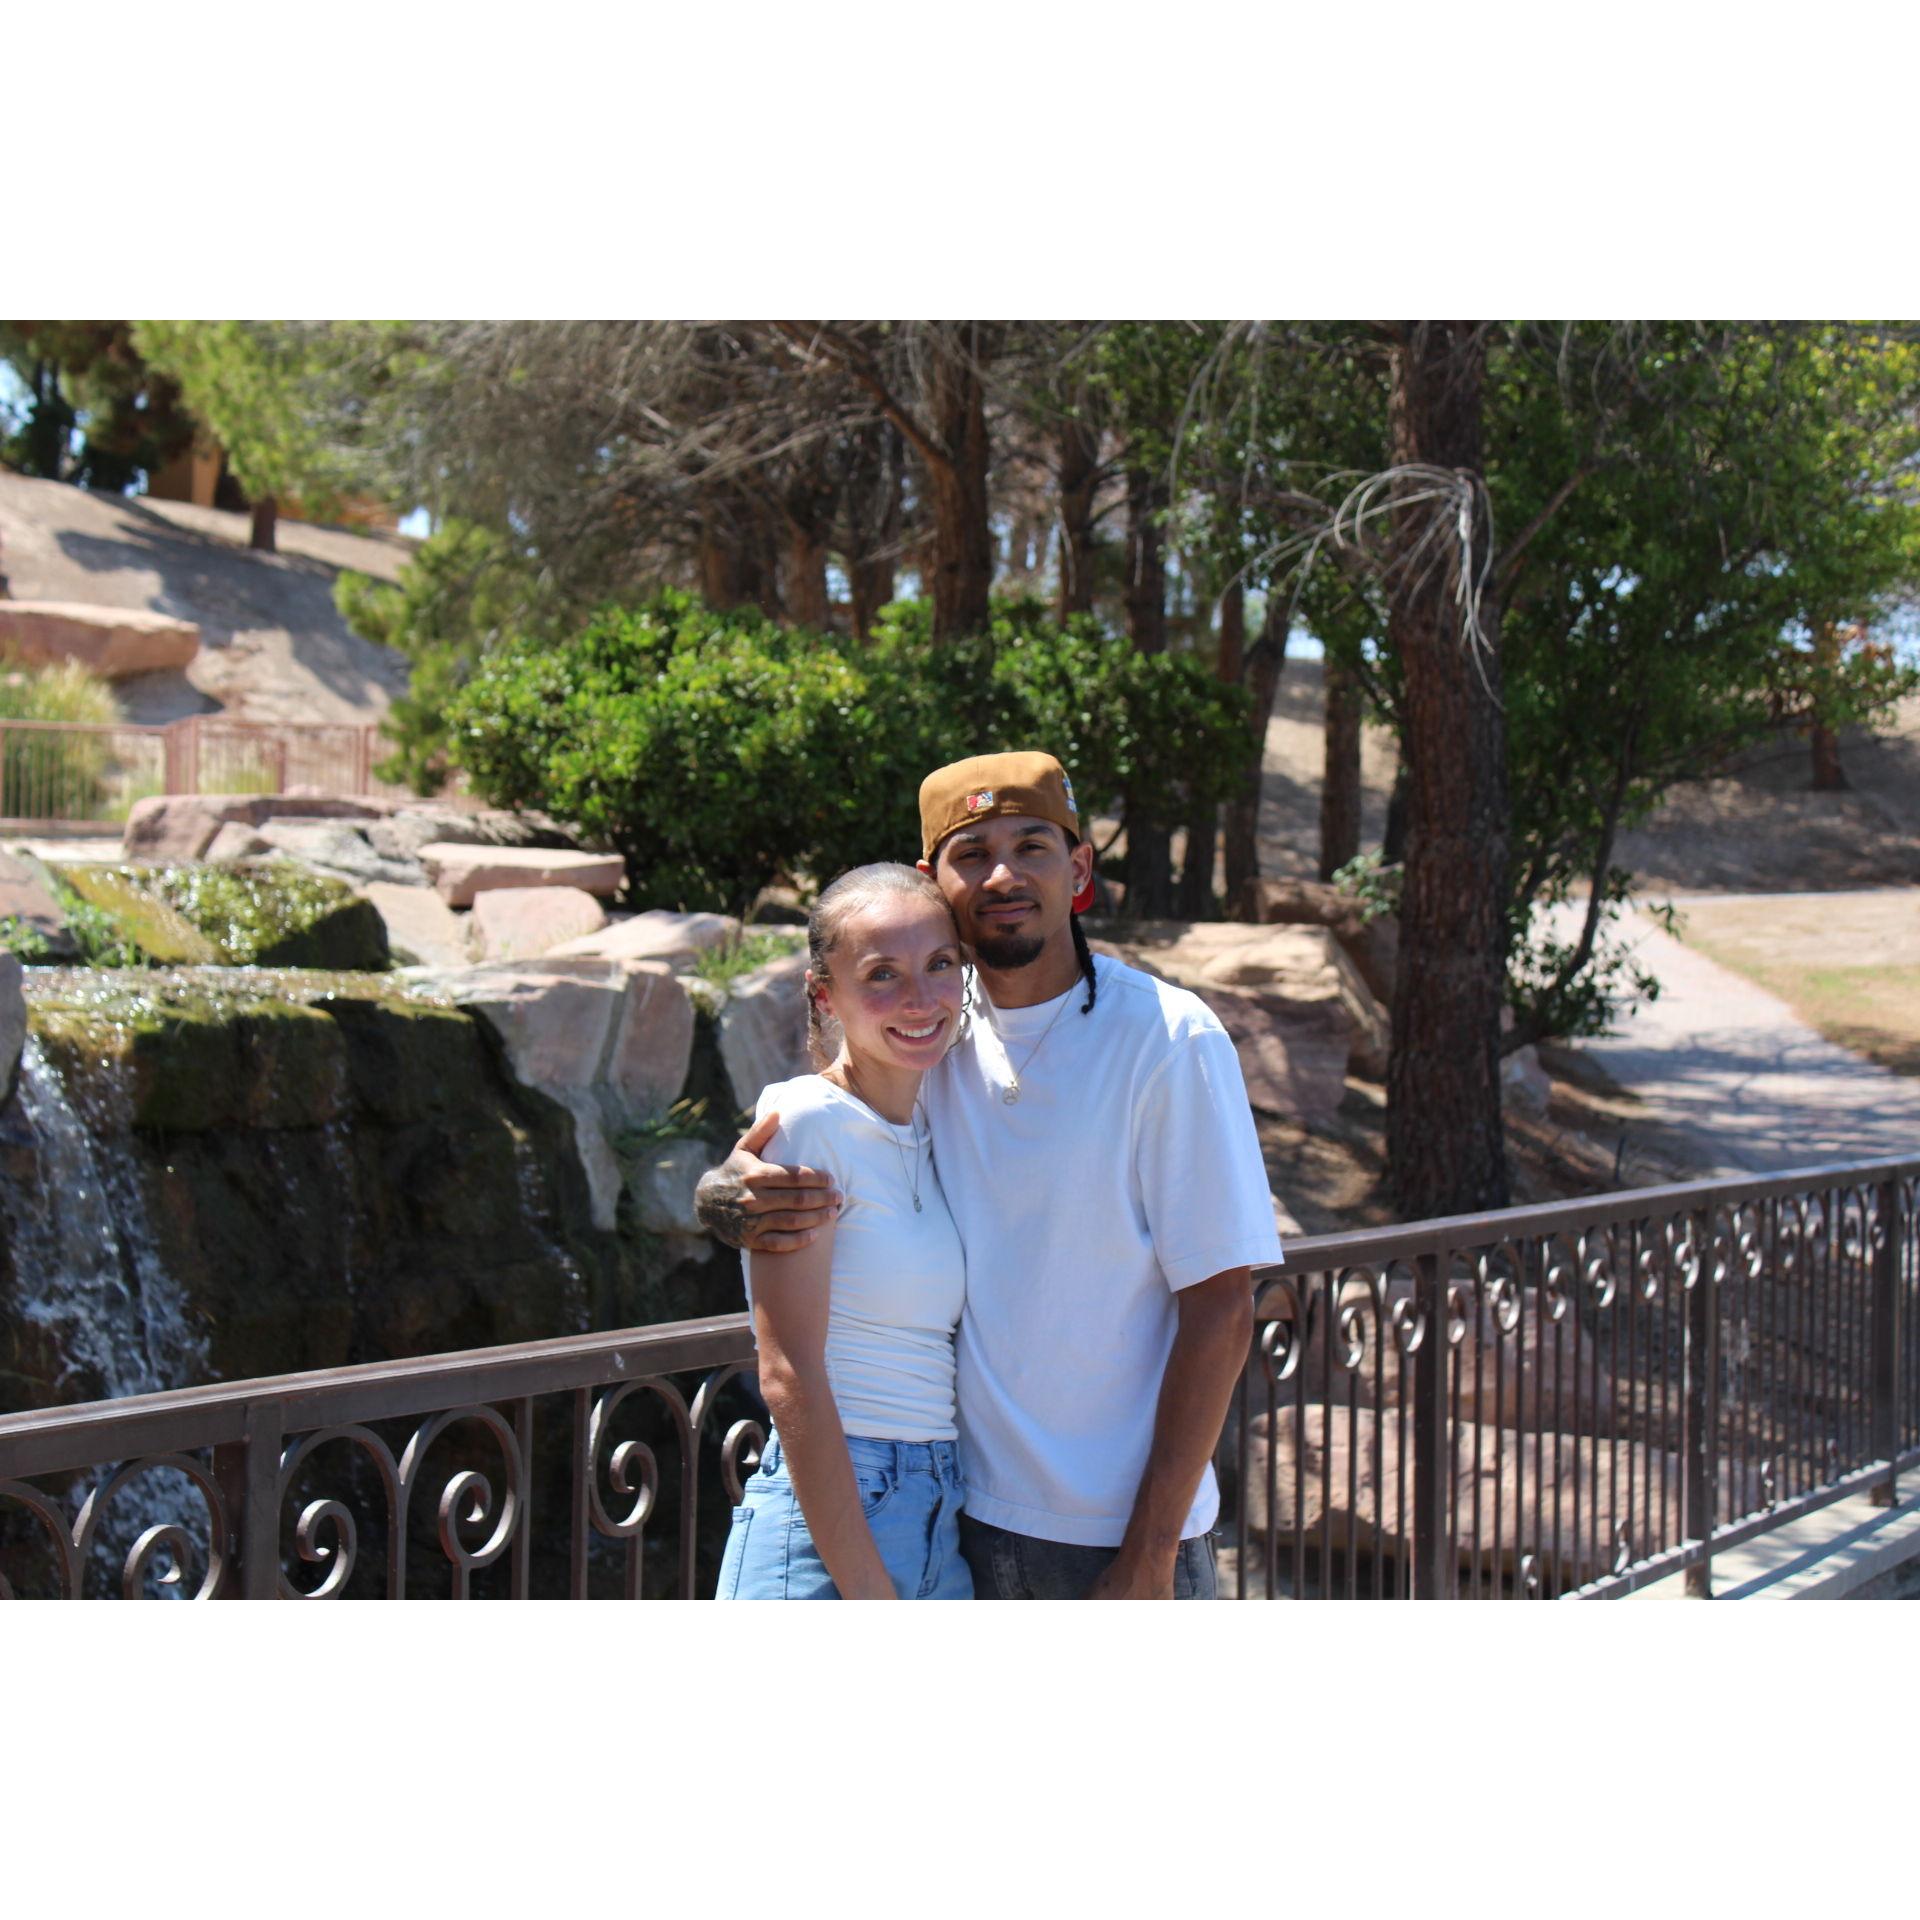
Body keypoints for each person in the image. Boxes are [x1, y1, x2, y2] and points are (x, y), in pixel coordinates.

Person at [699, 751, 1282, 1599]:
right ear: (934, 882)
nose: (1003, 875)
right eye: (972, 854)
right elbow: (832, 1123)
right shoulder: (932, 1030)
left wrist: (1150, 1553)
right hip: (959, 1522)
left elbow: (1224, 1306)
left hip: (1116, 1539)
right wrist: (724, 1192)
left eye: (1032, 847)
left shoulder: (1167, 1038)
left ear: (1078, 869)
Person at [714, 861, 973, 1600]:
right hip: (832, 1512)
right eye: (882, 974)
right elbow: (787, 1372)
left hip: (939, 1510)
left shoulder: (939, 1116)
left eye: (940, 964)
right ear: (826, 995)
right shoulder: (808, 1123)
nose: (920, 997)